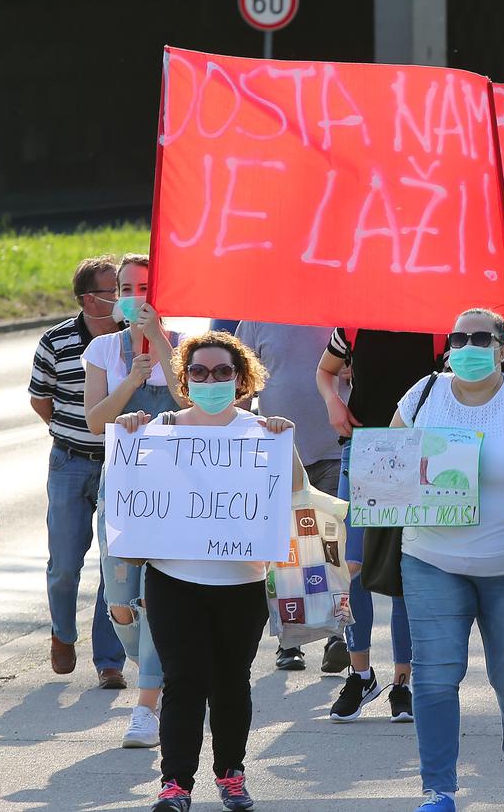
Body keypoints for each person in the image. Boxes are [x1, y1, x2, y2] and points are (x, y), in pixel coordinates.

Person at [393, 309, 504, 812]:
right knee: (435, 675)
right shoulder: (422, 393)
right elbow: (388, 463)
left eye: (480, 337)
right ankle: (439, 789)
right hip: (431, 558)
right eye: (458, 337)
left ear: (503, 345)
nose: (468, 346)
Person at [130, 330, 305, 812]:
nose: (211, 380)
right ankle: (175, 785)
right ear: (185, 379)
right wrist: (129, 434)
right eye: (200, 372)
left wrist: (282, 442)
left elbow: (295, 491)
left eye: (223, 371)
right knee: (183, 680)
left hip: (241, 582)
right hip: (173, 581)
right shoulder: (158, 428)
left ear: (241, 378)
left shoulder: (262, 432)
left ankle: (231, 773)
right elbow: (131, 488)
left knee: (231, 681)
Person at [84, 254, 187, 747]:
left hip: (176, 492)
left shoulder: (185, 345)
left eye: (144, 286)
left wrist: (163, 348)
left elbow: (192, 401)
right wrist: (131, 379)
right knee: (122, 599)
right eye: (126, 287)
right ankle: (151, 661)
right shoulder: (103, 348)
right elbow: (95, 421)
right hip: (123, 488)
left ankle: (146, 707)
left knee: (157, 596)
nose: (134, 294)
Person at [318, 328, 439, 723]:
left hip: (418, 454)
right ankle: (360, 673)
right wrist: (334, 401)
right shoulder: (353, 324)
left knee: (406, 574)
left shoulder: (438, 328)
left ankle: (403, 682)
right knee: (351, 569)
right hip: (363, 447)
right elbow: (325, 370)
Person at [28, 255, 127, 683]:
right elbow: (39, 398)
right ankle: (62, 633)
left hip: (121, 467)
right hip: (69, 461)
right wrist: (69, 430)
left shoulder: (132, 339)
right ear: (90, 299)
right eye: (113, 291)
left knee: (116, 564)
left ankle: (109, 661)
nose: (122, 298)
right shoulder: (57, 341)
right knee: (65, 564)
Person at [235, 321, 352, 674]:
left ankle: (337, 633)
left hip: (335, 448)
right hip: (279, 453)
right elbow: (241, 385)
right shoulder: (255, 320)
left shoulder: (344, 314)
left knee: (332, 550)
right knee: (283, 552)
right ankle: (290, 640)